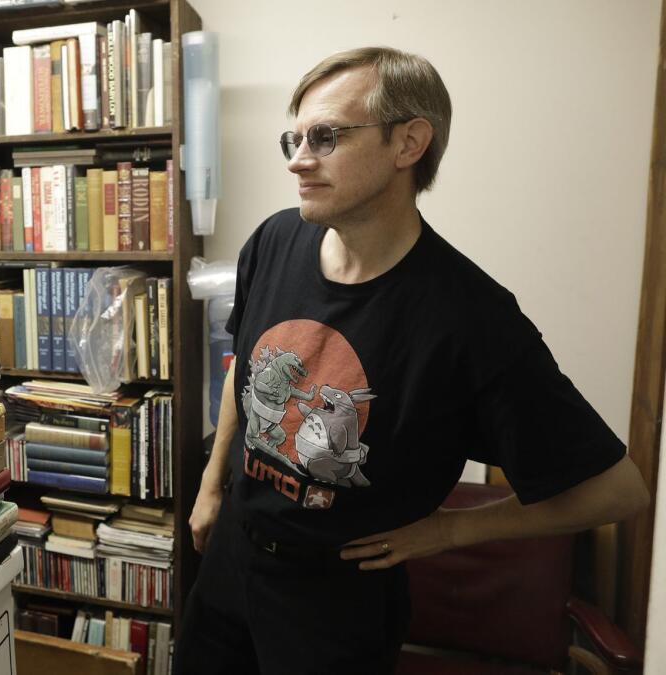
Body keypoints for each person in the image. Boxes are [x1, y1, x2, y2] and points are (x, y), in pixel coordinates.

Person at [173, 46, 649, 674]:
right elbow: (248, 368)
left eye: (325, 136)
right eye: (292, 138)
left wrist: (448, 532)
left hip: (336, 603)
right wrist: (210, 488)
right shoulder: (276, 238)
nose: (297, 159)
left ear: (408, 143)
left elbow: (616, 491)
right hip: (232, 562)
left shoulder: (470, 318)